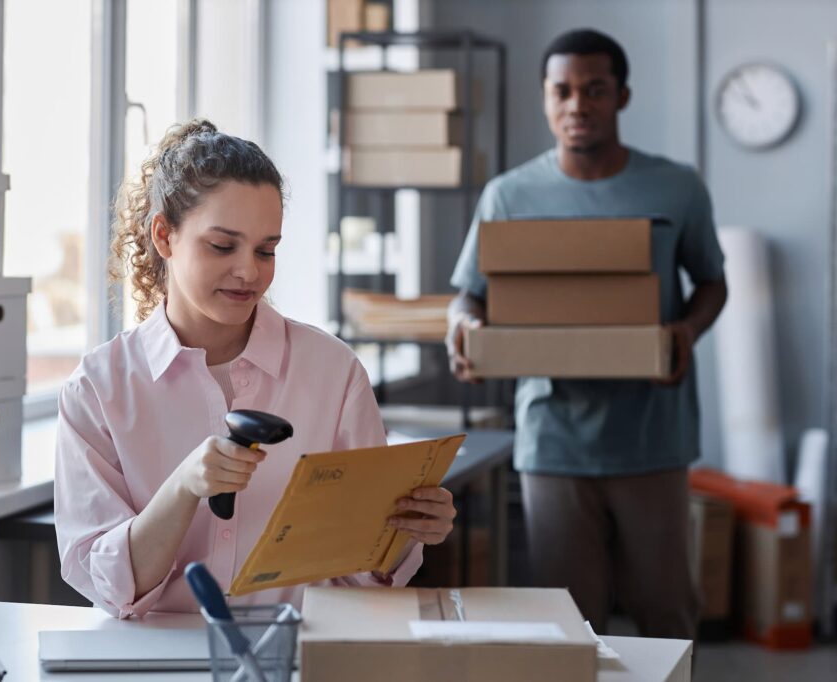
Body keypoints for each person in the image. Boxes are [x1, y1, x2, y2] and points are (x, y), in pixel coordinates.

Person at [55, 119, 457, 618]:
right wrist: (183, 487)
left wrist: (405, 530)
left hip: (297, 653)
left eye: (266, 250)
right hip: (154, 660)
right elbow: (108, 584)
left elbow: (364, 572)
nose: (250, 271)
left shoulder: (333, 372)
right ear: (164, 235)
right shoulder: (98, 387)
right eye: (223, 246)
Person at [446, 29, 728, 639]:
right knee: (568, 623)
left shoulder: (676, 188)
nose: (578, 105)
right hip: (554, 439)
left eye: (595, 90)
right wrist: (463, 327)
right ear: (546, 99)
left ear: (622, 96)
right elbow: (471, 292)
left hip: (652, 436)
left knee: (666, 615)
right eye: (563, 91)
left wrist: (686, 330)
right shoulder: (510, 195)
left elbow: (712, 283)